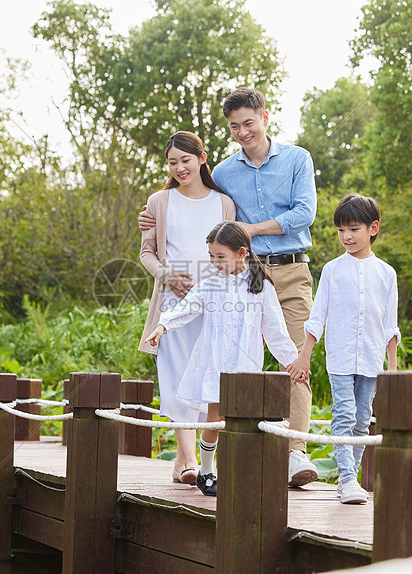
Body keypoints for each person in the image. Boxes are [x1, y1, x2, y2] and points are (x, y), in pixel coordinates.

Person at [139, 87, 319, 487]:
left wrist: (248, 231)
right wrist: (151, 214)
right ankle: (203, 462)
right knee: (218, 372)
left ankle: (295, 453)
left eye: (248, 123)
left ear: (265, 117)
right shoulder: (222, 173)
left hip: (286, 271)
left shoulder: (296, 159)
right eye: (234, 126)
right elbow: (191, 194)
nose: (242, 132)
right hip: (231, 278)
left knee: (294, 358)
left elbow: (305, 213)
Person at [144, 221, 301, 496]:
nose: (215, 262)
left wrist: (292, 361)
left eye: (220, 256)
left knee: (243, 423)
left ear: (241, 253)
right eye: (211, 257)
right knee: (214, 421)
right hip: (215, 365)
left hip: (245, 367)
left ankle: (240, 472)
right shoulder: (211, 285)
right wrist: (162, 326)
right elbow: (185, 309)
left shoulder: (260, 288)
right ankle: (206, 470)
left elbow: (275, 330)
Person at [288, 193, 400, 504]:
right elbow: (317, 317)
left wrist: (392, 369)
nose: (346, 237)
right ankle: (350, 479)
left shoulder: (387, 274)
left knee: (363, 419)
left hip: (373, 359)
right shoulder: (332, 270)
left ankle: (345, 475)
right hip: (340, 357)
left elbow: (391, 325)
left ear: (373, 228)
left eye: (353, 229)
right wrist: (304, 356)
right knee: (344, 415)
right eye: (341, 230)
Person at [138, 131, 236, 486]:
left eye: (185, 160)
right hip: (173, 302)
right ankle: (191, 459)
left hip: (213, 303)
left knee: (207, 375)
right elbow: (146, 252)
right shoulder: (159, 201)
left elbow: (232, 250)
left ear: (202, 158)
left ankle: (183, 462)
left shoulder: (224, 204)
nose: (179, 167)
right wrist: (167, 277)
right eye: (172, 162)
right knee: (177, 376)